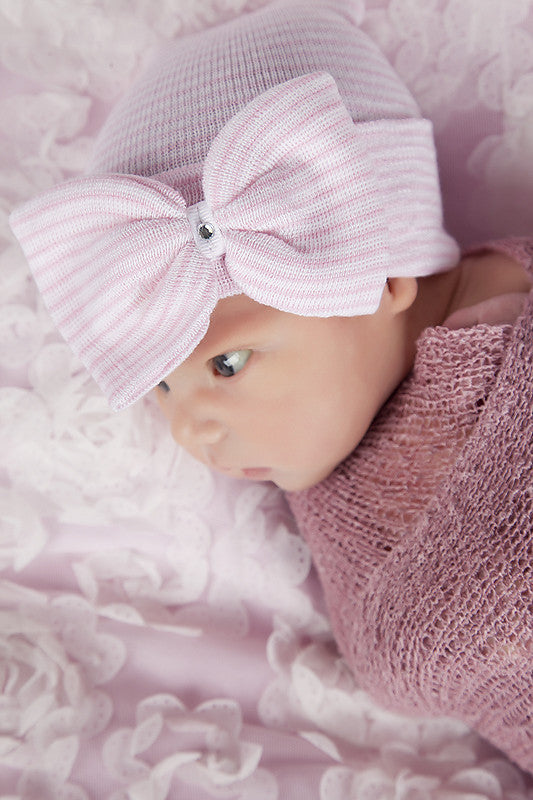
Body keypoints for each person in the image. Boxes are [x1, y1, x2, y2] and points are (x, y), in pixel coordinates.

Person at [9, 0, 533, 776]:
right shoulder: (334, 451)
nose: (190, 432)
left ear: (379, 277)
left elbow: (424, 644)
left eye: (227, 365)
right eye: (160, 386)